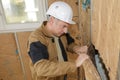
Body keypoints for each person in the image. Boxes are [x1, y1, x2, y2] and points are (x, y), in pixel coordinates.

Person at [27, 1, 89, 80]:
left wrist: (77, 49)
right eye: (64, 26)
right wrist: (75, 64)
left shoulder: (59, 32)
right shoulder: (37, 38)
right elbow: (41, 68)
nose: (66, 31)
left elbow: (69, 43)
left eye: (67, 27)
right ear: (52, 20)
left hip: (61, 77)